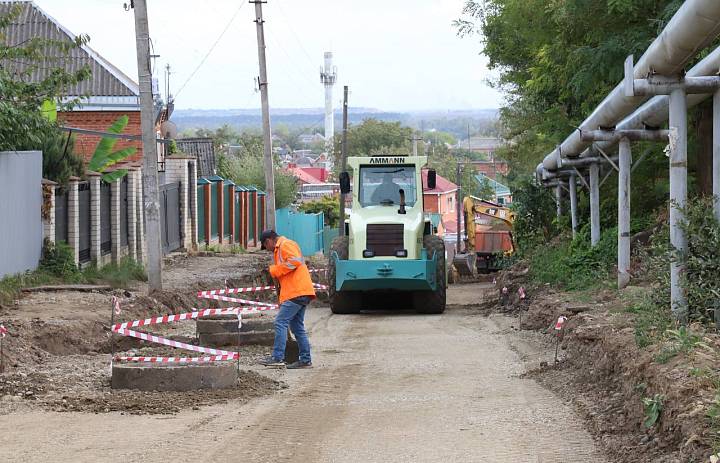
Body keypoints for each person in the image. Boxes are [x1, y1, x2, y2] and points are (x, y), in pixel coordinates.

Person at [258, 229, 315, 369]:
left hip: (297, 292)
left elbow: (295, 261)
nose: (268, 250)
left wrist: (275, 270)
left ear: (269, 241)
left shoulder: (285, 244)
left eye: (266, 247)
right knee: (297, 327)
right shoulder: (281, 248)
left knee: (280, 322)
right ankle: (305, 360)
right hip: (300, 291)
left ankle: (277, 357)